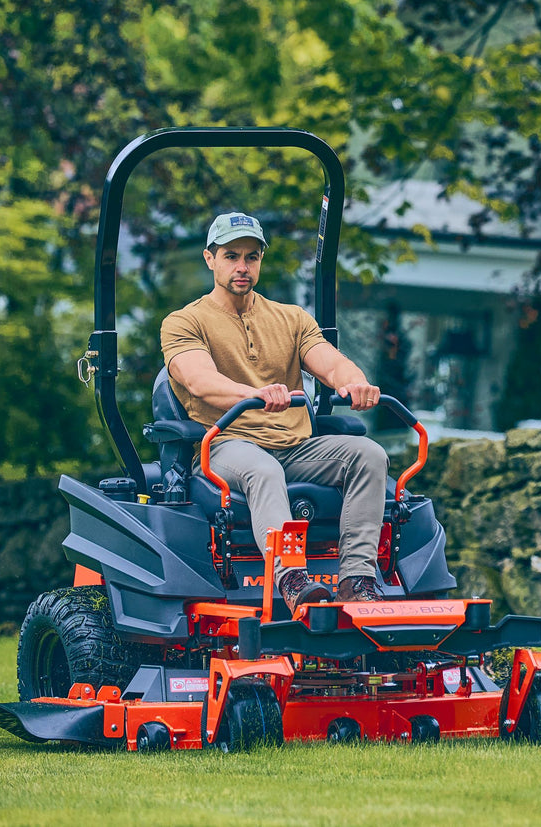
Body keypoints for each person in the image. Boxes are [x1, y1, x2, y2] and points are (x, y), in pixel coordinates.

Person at [161, 211, 387, 606]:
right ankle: (293, 581)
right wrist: (257, 393)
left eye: (252, 257)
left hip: (295, 445)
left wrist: (354, 381)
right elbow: (199, 380)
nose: (242, 267)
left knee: (369, 455)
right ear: (209, 258)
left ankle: (359, 580)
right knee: (263, 469)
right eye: (231, 256)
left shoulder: (291, 318)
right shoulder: (184, 322)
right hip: (225, 444)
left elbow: (330, 361)